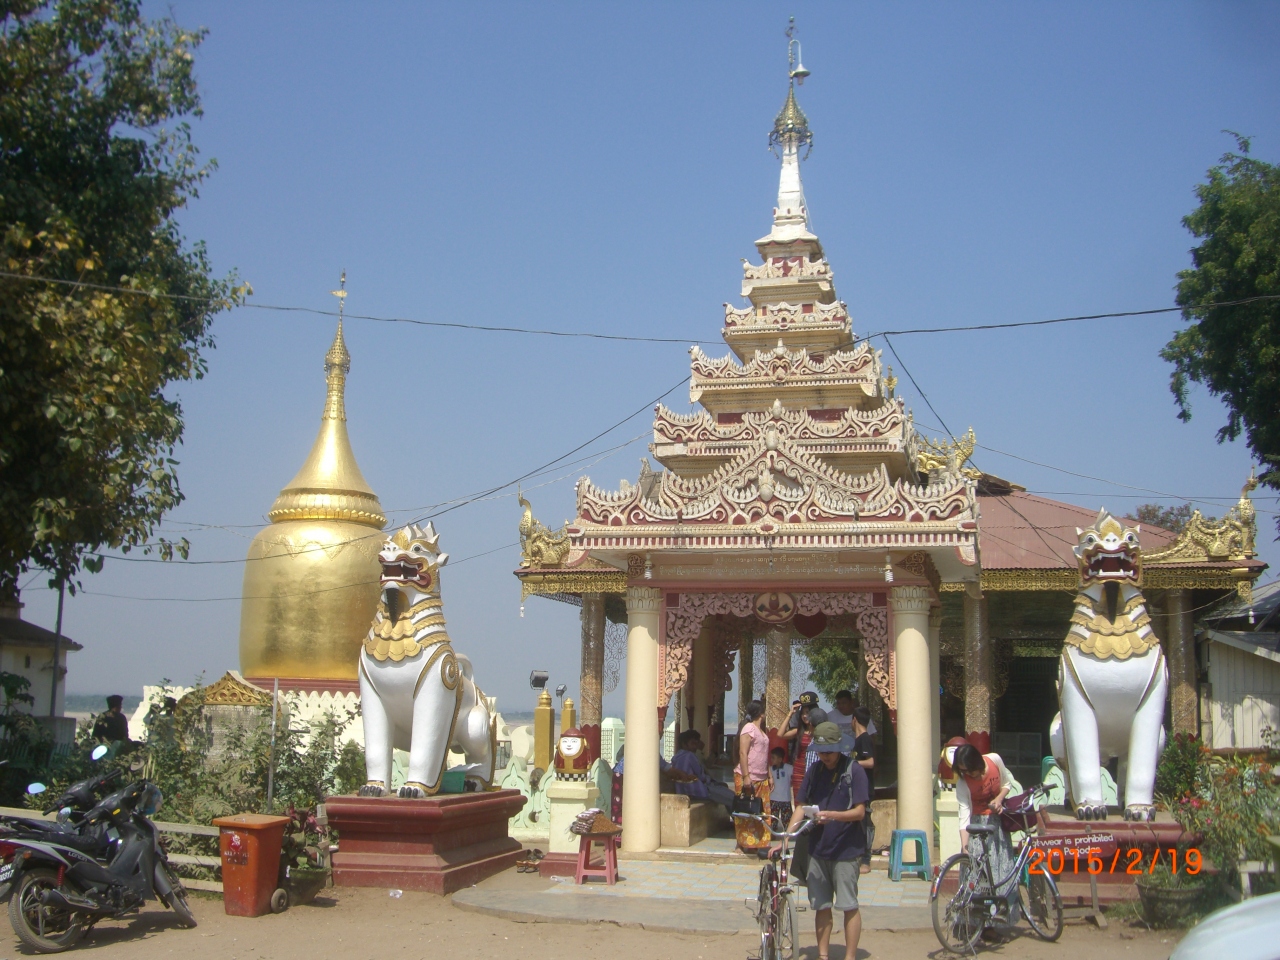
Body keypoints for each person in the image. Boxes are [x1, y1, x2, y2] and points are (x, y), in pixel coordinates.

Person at [781, 721, 870, 960]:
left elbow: (860, 812)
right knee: (821, 906)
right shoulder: (814, 771)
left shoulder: (854, 770)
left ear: (839, 748)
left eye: (829, 752)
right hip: (817, 850)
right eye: (821, 752)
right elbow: (801, 807)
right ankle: (823, 955)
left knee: (848, 905)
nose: (826, 757)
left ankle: (850, 956)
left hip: (846, 850)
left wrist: (833, 816)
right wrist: (787, 838)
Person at [952, 743, 1020, 921]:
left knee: (1001, 873)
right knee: (978, 877)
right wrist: (965, 845)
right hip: (977, 828)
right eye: (963, 771)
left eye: (969, 770)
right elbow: (964, 815)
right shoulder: (963, 784)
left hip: (997, 827)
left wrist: (999, 799)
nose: (968, 774)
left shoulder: (995, 760)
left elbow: (1006, 783)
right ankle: (976, 923)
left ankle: (999, 921)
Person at [735, 700, 771, 852]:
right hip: (749, 775)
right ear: (761, 713)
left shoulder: (761, 731)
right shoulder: (748, 728)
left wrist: (769, 775)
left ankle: (760, 843)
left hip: (762, 777)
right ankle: (742, 843)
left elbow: (765, 755)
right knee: (745, 810)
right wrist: (746, 776)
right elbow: (743, 753)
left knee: (761, 812)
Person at [671, 729, 735, 810]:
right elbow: (701, 777)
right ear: (684, 744)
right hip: (697, 791)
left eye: (696, 744)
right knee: (732, 798)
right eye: (693, 744)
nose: (695, 747)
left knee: (725, 793)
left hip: (683, 791)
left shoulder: (676, 757)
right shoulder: (690, 756)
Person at [852, 706, 876, 873]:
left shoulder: (865, 739)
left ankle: (866, 860)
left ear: (854, 720)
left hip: (865, 789)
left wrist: (851, 764)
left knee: (865, 823)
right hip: (857, 788)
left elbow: (870, 762)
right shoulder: (857, 740)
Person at [768, 746, 793, 827]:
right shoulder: (770, 769)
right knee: (772, 821)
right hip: (773, 799)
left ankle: (786, 834)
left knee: (787, 821)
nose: (771, 760)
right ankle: (772, 833)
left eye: (773, 758)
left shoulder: (788, 768)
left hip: (785, 799)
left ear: (780, 759)